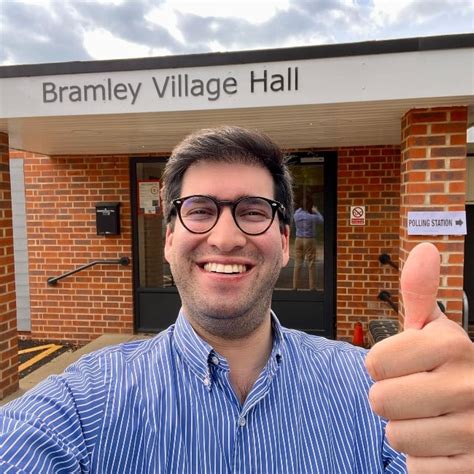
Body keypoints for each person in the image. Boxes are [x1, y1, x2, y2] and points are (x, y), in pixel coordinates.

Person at [0, 126, 473, 473]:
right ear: (168, 240)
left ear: (284, 242)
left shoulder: (372, 391)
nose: (225, 238)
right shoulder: (83, 403)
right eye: (200, 210)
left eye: (252, 211)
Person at [292, 197, 323, 290]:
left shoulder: (296, 214)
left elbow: (298, 210)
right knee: (311, 263)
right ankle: (312, 287)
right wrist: (316, 211)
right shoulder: (311, 217)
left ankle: (295, 286)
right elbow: (322, 220)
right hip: (309, 240)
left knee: (297, 263)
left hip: (298, 239)